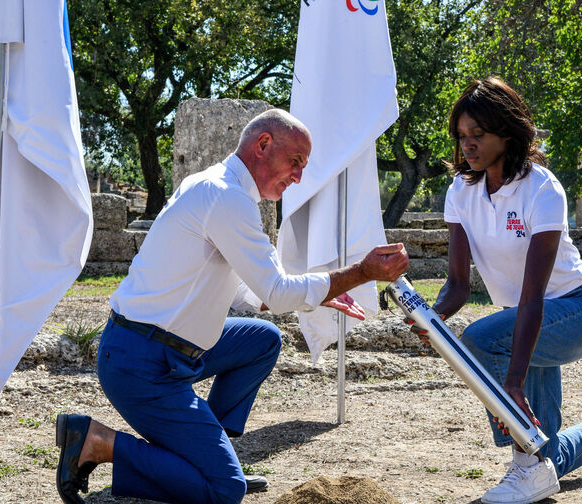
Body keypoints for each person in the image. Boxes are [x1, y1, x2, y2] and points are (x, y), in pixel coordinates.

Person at [54, 109, 409, 504]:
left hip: (160, 347)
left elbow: (249, 292)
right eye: (296, 162)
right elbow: (276, 292)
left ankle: (208, 451)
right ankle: (100, 442)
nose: (298, 176)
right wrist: (361, 271)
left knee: (263, 339)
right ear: (262, 145)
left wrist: (321, 291)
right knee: (224, 490)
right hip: (142, 364)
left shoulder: (217, 187)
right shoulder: (226, 197)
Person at [407, 78, 582, 504]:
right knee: (545, 449)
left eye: (478, 135)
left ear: (506, 132)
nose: (468, 145)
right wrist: (432, 317)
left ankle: (526, 467)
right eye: (462, 136)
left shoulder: (541, 188)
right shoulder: (460, 191)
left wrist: (513, 381)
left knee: (481, 340)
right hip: (526, 320)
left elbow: (535, 294)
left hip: (577, 311)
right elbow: (459, 286)